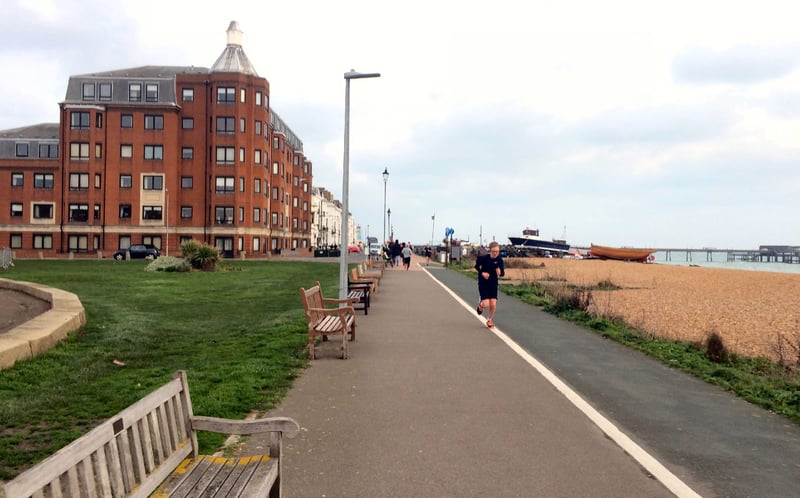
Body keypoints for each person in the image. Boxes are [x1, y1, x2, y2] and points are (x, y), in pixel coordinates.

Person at [474, 241, 505, 328]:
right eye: (493, 251)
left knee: (493, 303)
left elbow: (502, 273)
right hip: (483, 282)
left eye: (497, 251)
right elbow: (476, 267)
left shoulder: (499, 260)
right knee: (486, 304)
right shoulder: (483, 258)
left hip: (493, 283)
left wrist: (500, 273)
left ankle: (489, 320)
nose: (495, 253)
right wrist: (482, 273)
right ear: (490, 251)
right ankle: (481, 304)